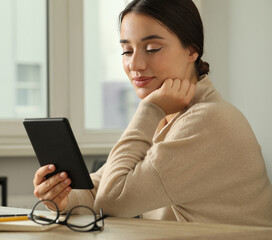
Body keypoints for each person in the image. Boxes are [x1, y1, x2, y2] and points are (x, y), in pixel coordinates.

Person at [33, 0, 272, 227]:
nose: (135, 64)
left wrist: (148, 108)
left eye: (151, 48)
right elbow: (100, 188)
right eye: (126, 51)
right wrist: (64, 198)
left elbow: (111, 199)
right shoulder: (168, 115)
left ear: (192, 51)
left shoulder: (208, 121)